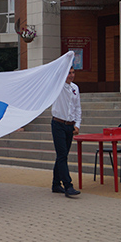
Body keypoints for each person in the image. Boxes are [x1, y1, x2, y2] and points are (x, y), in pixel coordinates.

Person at [51, 67, 81, 198]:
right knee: (62, 154)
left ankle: (56, 183)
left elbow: (77, 107)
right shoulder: (59, 85)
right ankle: (68, 185)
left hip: (69, 125)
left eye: (73, 73)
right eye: (69, 73)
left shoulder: (75, 88)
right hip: (58, 124)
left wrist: (77, 124)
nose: (71, 75)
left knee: (62, 155)